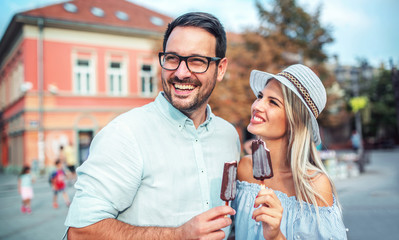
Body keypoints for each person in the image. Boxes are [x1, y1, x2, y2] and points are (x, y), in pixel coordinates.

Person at [65, 12, 240, 239]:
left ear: (221, 69)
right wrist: (178, 235)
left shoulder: (229, 136)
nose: (181, 73)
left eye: (197, 61)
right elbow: (80, 231)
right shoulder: (125, 134)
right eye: (172, 58)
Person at [232, 64, 347, 239]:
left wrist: (276, 235)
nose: (257, 105)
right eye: (260, 96)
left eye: (273, 102)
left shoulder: (314, 185)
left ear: (295, 120)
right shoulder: (244, 168)